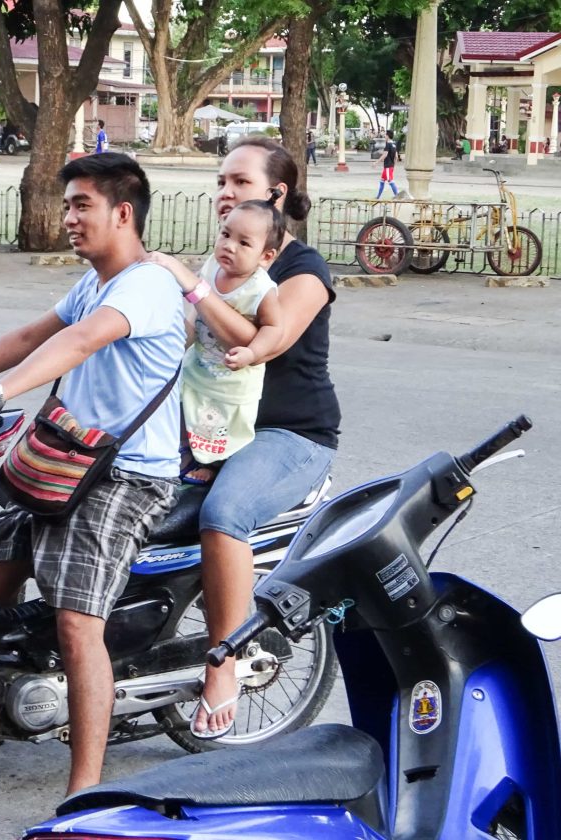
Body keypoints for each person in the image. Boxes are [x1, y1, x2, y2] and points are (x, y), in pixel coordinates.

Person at [0, 153, 184, 796]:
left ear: (123, 213)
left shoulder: (144, 285)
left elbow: (82, 341)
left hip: (126, 475)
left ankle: (84, 788)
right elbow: (39, 331)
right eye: (66, 206)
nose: (68, 218)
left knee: (75, 622)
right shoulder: (94, 281)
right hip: (67, 460)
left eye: (81, 205)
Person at [166, 136, 340, 739]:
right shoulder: (222, 263)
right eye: (220, 181)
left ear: (277, 194)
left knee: (223, 515)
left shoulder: (303, 269)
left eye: (239, 182)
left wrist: (193, 286)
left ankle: (224, 663)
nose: (224, 194)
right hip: (210, 425)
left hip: (289, 434)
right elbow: (180, 334)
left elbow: (270, 335)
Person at [148, 200, 285, 487]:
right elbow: (195, 313)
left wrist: (252, 352)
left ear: (266, 256)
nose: (229, 246)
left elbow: (274, 329)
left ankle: (213, 465)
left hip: (232, 382)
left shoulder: (261, 289)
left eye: (244, 243)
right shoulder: (211, 267)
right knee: (187, 410)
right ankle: (185, 454)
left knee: (221, 426)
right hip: (199, 368)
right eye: (225, 234)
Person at [376, 129, 399, 199]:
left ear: (388, 136)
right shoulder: (394, 144)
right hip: (390, 166)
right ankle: (378, 197)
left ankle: (398, 196)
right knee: (382, 180)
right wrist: (394, 165)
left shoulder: (388, 144)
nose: (385, 136)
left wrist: (376, 162)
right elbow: (396, 157)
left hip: (388, 166)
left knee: (390, 181)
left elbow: (385, 155)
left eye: (385, 135)